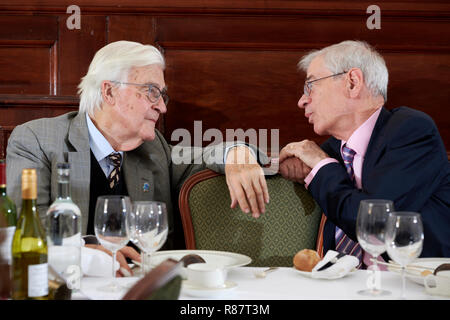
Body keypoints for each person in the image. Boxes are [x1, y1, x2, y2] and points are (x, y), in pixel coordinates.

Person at [6, 41, 270, 275]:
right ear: (109, 92)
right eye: (151, 91)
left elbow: (202, 157)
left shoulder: (154, 149)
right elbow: (28, 226)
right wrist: (89, 251)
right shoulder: (37, 139)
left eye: (162, 94)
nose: (163, 107)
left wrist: (238, 154)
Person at [279, 40, 450, 262]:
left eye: (311, 85)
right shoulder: (333, 148)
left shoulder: (412, 131)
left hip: (414, 287)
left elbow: (374, 225)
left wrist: (321, 166)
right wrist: (237, 155)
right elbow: (263, 161)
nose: (302, 101)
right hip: (341, 286)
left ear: (352, 82)